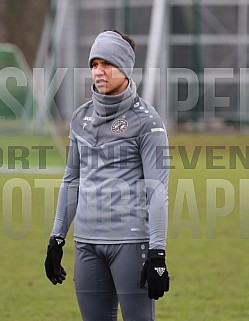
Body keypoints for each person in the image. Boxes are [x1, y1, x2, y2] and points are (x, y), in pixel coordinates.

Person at [45, 30, 170, 321]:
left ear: (125, 68)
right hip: (86, 244)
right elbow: (71, 180)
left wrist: (158, 253)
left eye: (107, 64)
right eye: (94, 65)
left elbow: (158, 190)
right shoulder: (79, 118)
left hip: (130, 244)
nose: (98, 72)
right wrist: (56, 238)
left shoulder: (148, 122)